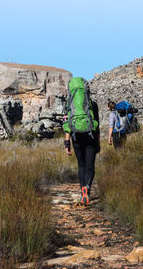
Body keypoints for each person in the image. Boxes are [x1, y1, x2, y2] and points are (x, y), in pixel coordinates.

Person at [63, 78, 100, 206]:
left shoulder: (68, 105)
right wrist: (98, 144)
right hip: (91, 137)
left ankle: (82, 189)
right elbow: (97, 126)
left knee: (81, 165)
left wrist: (67, 145)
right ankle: (88, 190)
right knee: (90, 166)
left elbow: (67, 126)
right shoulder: (92, 105)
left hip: (76, 138)